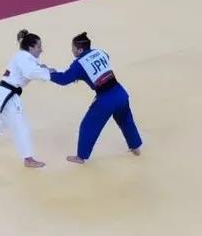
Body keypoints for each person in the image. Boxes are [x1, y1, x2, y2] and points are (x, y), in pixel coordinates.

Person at [48, 32, 143, 164]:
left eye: (73, 48)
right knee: (126, 121)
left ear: (80, 50)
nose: (72, 50)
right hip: (120, 93)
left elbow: (64, 79)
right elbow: (100, 65)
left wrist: (49, 74)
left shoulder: (79, 64)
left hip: (106, 99)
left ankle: (81, 157)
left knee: (88, 126)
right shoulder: (100, 52)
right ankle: (135, 147)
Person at [0, 29, 51, 168]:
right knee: (21, 127)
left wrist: (43, 68)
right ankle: (28, 159)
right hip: (8, 97)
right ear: (30, 47)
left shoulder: (22, 56)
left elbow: (32, 68)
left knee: (3, 121)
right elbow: (31, 72)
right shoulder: (24, 58)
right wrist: (49, 73)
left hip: (0, 96)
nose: (41, 50)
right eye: (39, 46)